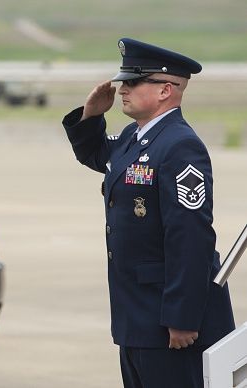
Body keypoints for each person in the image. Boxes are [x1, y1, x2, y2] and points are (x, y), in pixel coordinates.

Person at [62, 37, 235, 388]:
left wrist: (183, 317)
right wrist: (92, 114)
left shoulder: (180, 145)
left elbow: (190, 236)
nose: (122, 88)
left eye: (133, 81)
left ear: (165, 90)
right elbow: (98, 156)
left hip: (169, 321)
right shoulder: (134, 136)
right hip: (137, 315)